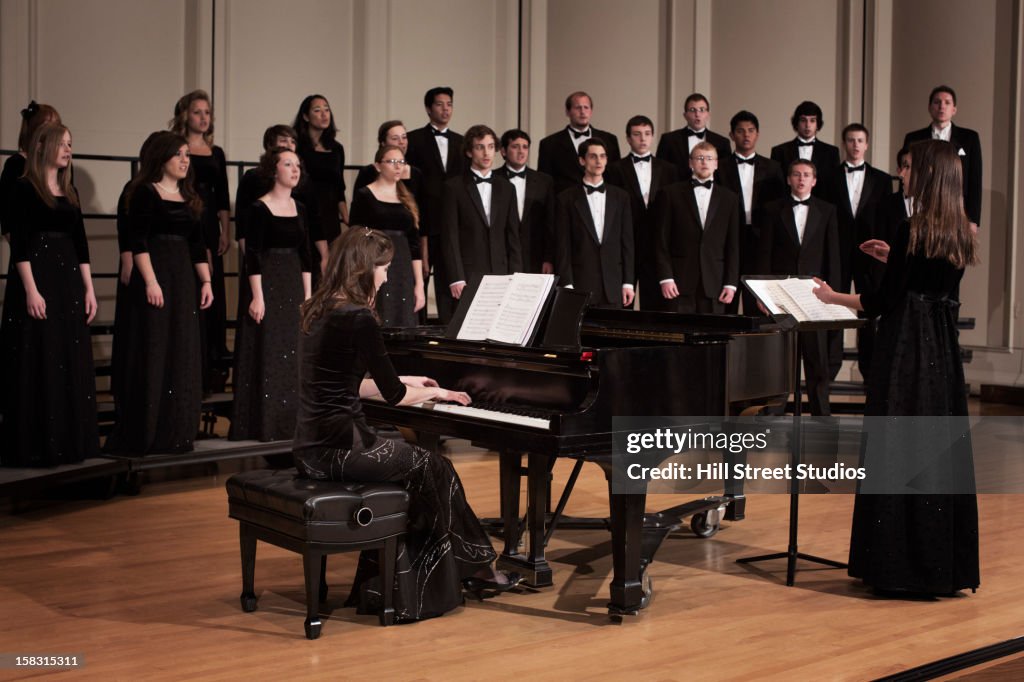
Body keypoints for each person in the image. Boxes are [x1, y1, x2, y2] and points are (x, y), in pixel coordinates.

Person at [292, 227, 521, 622]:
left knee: (426, 469)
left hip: (312, 446)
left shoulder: (319, 308)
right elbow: (393, 395)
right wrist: (439, 394)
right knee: (436, 467)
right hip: (342, 448)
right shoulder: (359, 317)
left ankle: (431, 573)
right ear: (363, 269)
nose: (385, 277)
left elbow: (347, 386)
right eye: (382, 268)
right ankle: (468, 569)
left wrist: (412, 382)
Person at [812, 139, 980, 596]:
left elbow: (881, 302)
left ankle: (897, 565)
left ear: (928, 175)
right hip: (941, 353)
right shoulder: (961, 231)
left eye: (911, 169)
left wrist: (830, 297)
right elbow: (930, 279)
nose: (903, 176)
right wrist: (895, 258)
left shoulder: (912, 228)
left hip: (907, 349)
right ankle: (941, 565)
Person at [104, 132, 213, 455]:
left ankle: (176, 432)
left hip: (182, 279)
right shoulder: (145, 193)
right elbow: (138, 242)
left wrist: (206, 282)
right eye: (178, 154)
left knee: (182, 349)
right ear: (160, 158)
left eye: (187, 155)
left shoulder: (189, 196)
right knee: (154, 347)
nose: (184, 160)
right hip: (156, 274)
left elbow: (197, 245)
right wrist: (151, 282)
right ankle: (148, 429)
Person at [0, 123, 98, 467]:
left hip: (68, 278)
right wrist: (30, 290)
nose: (69, 150)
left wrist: (89, 288)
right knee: (40, 355)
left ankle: (72, 442)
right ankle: (39, 444)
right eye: (63, 144)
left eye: (72, 144)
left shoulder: (69, 190)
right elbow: (21, 244)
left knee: (68, 355)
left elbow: (81, 243)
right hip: (39, 276)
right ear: (45, 147)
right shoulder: (24, 188)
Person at [229, 147, 312, 442]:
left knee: (293, 353)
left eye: (297, 164)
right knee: (270, 351)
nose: (294, 169)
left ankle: (290, 423)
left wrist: (309, 297)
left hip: (293, 282)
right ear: (273, 170)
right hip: (269, 283)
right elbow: (252, 255)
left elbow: (306, 256)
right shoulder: (258, 208)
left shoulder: (300, 208)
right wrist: (257, 296)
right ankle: (266, 423)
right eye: (287, 164)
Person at [756, 159, 840, 416]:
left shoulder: (827, 211)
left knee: (817, 358)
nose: (801, 179)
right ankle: (775, 410)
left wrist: (833, 295)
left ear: (814, 180)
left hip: (815, 294)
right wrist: (762, 294)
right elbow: (764, 254)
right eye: (796, 174)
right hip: (781, 293)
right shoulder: (772, 210)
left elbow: (832, 256)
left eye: (806, 175)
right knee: (781, 356)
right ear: (789, 179)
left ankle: (821, 413)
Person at [171, 90, 232, 393]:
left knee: (213, 292)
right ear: (185, 115)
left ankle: (212, 363)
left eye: (207, 112)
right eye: (197, 112)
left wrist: (225, 229)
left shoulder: (216, 152)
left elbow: (222, 196)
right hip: (187, 218)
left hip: (210, 223)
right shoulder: (176, 150)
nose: (203, 117)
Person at [824, 123, 892, 379]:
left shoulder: (883, 180)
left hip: (870, 254)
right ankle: (830, 367)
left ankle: (870, 369)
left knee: (869, 310)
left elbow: (885, 221)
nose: (855, 145)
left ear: (867, 144)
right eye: (851, 140)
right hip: (838, 252)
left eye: (860, 140)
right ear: (845, 143)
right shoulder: (829, 177)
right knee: (833, 307)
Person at [440, 125, 522, 322]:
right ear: (469, 151)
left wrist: (516, 276)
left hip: (501, 274)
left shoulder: (507, 188)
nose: (486, 153)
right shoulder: (453, 187)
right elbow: (450, 235)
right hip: (468, 274)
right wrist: (457, 276)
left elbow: (513, 236)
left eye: (491, 146)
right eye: (480, 147)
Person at [652, 140, 739, 314]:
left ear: (716, 164)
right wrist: (666, 277)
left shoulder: (729, 198)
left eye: (709, 158)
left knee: (713, 336)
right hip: (679, 281)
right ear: (690, 163)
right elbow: (660, 240)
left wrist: (731, 283)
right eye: (699, 158)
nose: (704, 162)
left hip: (715, 282)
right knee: (679, 336)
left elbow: (733, 245)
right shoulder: (670, 194)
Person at [605, 115, 678, 309]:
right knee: (623, 303)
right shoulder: (614, 169)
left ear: (653, 137)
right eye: (637, 134)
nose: (643, 139)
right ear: (628, 138)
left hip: (656, 244)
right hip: (625, 242)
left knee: (654, 304)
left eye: (647, 134)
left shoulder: (669, 169)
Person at [717, 110, 785, 314]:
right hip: (727, 239)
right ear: (731, 135)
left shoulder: (773, 167)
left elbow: (778, 206)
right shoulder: (719, 166)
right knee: (725, 300)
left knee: (756, 301)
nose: (746, 135)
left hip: (760, 240)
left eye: (751, 130)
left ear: (757, 134)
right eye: (740, 131)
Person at [405, 87, 465, 317]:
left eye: (449, 104)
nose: (445, 109)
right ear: (429, 108)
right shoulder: (414, 139)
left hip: (449, 223)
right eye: (440, 104)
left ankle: (446, 329)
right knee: (419, 277)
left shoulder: (461, 141)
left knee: (448, 279)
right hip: (422, 219)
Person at [349, 145, 424, 327]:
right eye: (391, 161)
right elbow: (356, 238)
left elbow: (414, 246)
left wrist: (419, 284)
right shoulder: (365, 195)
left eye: (401, 162)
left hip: (403, 269)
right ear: (377, 166)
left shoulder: (407, 198)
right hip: (375, 264)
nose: (398, 166)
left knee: (403, 321)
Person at [554, 138, 634, 309]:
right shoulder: (565, 199)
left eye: (602, 156)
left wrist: (628, 282)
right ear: (582, 160)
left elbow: (627, 242)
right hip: (581, 285)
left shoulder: (621, 197)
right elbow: (563, 246)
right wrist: (567, 284)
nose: (599, 161)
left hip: (614, 285)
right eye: (593, 156)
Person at [858, 147, 911, 383]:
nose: (906, 174)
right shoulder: (886, 204)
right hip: (891, 283)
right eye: (905, 167)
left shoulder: (936, 215)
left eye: (913, 168)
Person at [903, 85, 982, 233]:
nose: (941, 107)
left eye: (947, 102)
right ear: (929, 107)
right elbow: (907, 174)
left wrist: (973, 219)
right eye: (937, 102)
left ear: (954, 109)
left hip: (957, 210)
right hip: (922, 208)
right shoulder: (914, 138)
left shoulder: (969, 138)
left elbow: (975, 180)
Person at [293, 94, 349, 269]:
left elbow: (339, 187)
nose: (324, 114)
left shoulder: (336, 148)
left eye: (327, 109)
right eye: (317, 110)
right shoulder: (298, 146)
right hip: (304, 209)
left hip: (330, 213)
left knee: (329, 265)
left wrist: (347, 217)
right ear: (305, 116)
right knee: (307, 261)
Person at [538, 91, 621, 195]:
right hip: (565, 206)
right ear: (567, 112)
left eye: (586, 107)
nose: (582, 112)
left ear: (591, 111)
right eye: (577, 108)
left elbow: (615, 178)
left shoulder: (610, 140)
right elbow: (544, 184)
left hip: (603, 203)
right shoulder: (549, 144)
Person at [496, 129, 556, 274]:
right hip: (501, 255)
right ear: (503, 151)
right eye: (515, 146)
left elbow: (550, 222)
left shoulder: (544, 181)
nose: (521, 151)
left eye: (525, 147)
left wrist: (548, 258)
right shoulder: (493, 179)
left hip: (535, 256)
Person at [1, 101, 62, 241]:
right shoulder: (15, 164)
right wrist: (24, 255)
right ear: (34, 130)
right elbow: (7, 219)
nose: (55, 132)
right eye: (48, 126)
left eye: (57, 125)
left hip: (60, 252)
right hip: (28, 252)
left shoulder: (63, 166)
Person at [770, 101, 840, 199]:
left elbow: (833, 187)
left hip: (822, 210)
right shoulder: (779, 151)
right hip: (787, 208)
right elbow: (776, 186)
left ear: (818, 124)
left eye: (812, 120)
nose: (807, 125)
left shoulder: (831, 152)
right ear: (796, 123)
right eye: (803, 120)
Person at [656, 93, 732, 180]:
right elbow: (661, 172)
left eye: (702, 110)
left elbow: (725, 175)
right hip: (677, 191)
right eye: (692, 110)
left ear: (708, 114)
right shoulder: (669, 140)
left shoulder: (722, 142)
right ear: (685, 115)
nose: (697, 114)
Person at [353, 120, 423, 199]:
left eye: (404, 137)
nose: (401, 142)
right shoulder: (367, 172)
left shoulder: (416, 173)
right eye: (395, 138)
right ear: (383, 143)